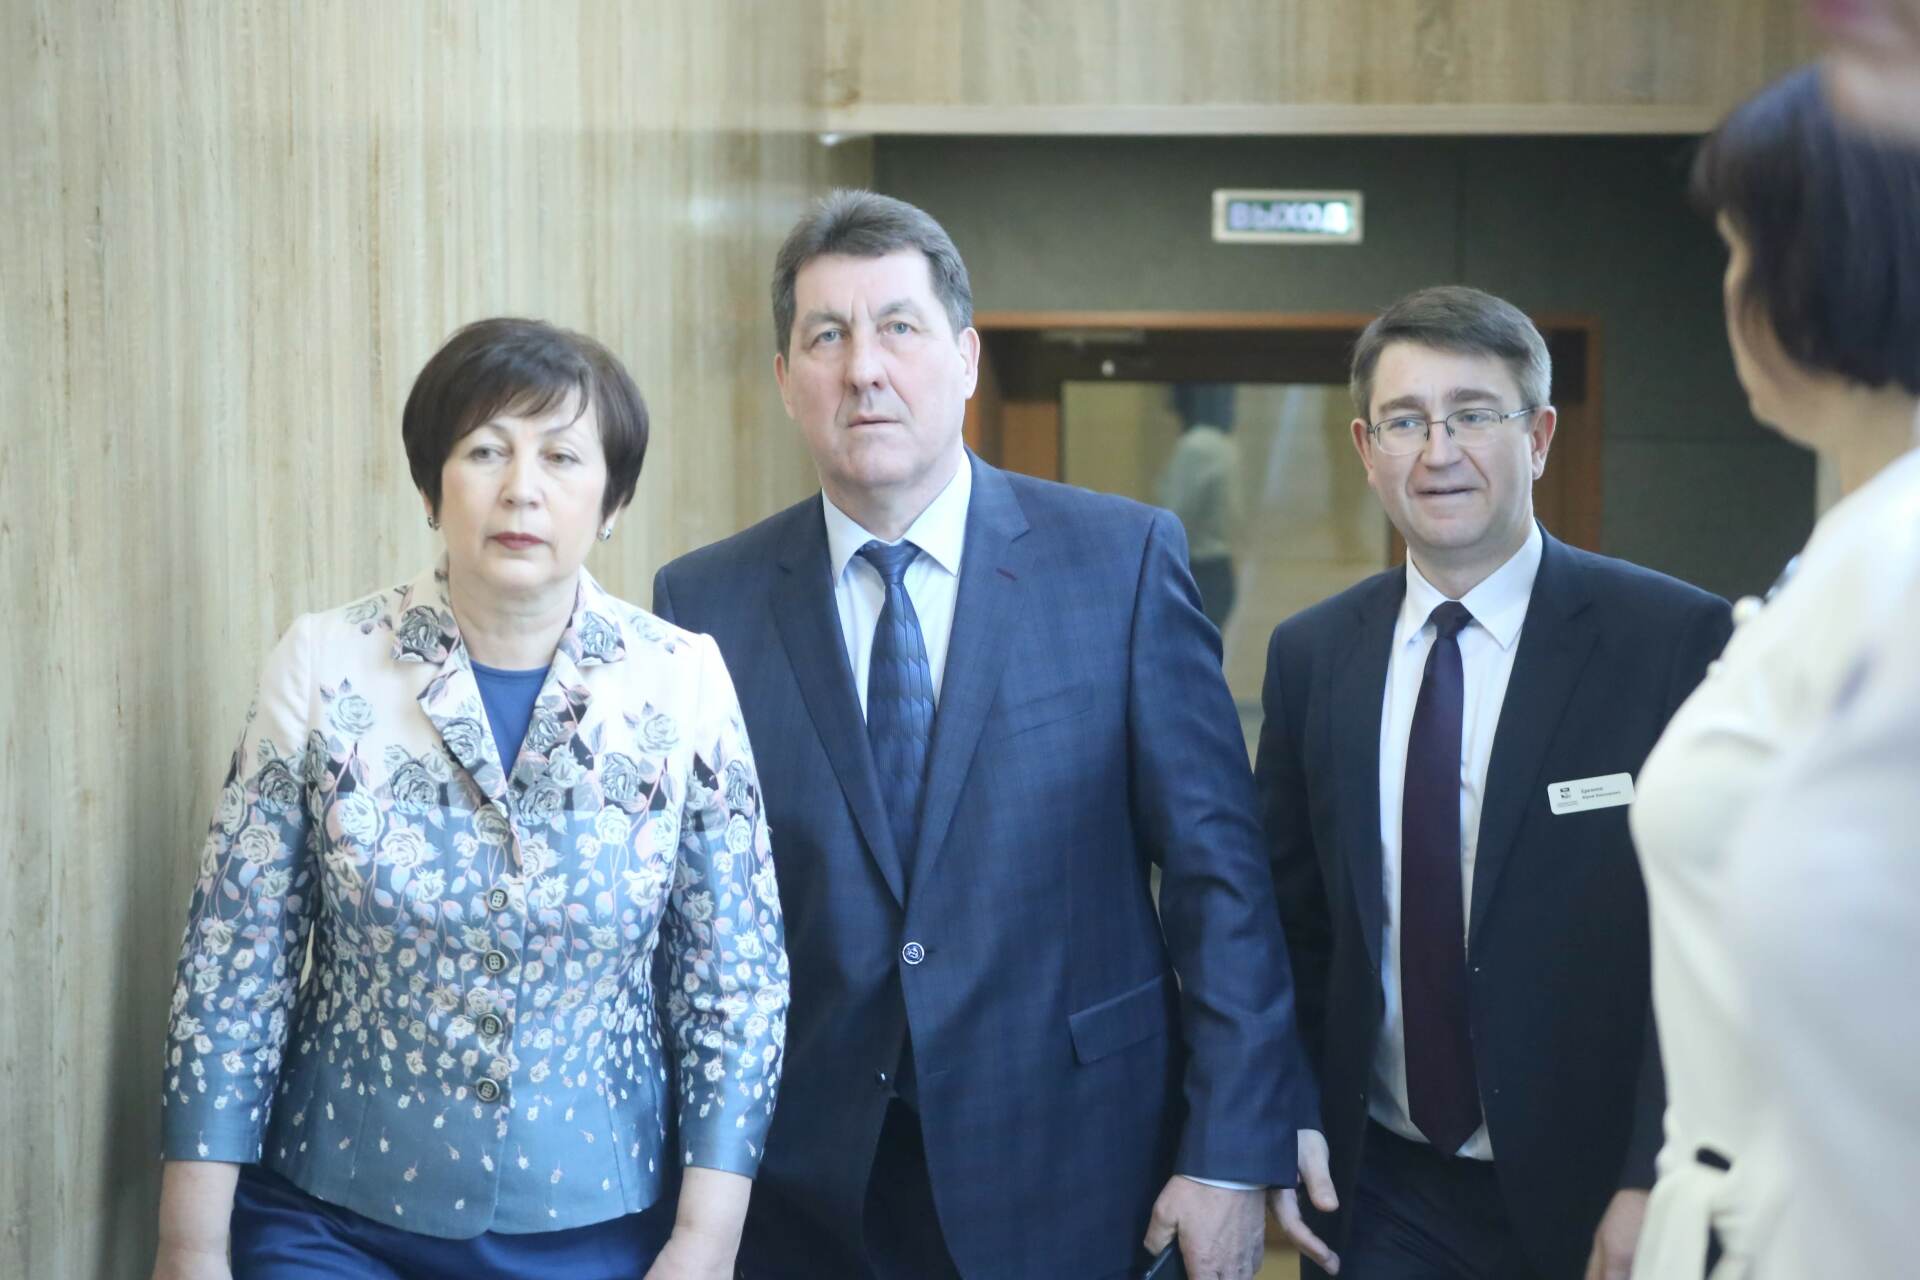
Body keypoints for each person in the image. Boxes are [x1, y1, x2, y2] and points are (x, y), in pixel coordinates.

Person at [651, 190, 1308, 1280]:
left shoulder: (1120, 563)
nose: (864, 368)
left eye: (898, 327)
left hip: (1077, 1161)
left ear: (964, 358)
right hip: (806, 1191)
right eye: (827, 336)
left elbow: (1220, 883)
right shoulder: (704, 604)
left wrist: (1231, 1154)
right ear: (785, 379)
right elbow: (684, 925)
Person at [151, 319, 787, 1280]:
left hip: (598, 1226)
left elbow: (734, 983)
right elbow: (235, 963)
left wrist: (704, 1245)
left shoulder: (681, 680)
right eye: (486, 450)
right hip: (335, 1217)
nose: (521, 488)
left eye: (561, 456)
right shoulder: (324, 665)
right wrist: (190, 1246)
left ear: (612, 500)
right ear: (430, 486)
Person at [1256, 286, 1731, 1280]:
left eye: (1473, 414)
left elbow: (1712, 939)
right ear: (1365, 447)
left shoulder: (1669, 640)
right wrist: (1283, 1111)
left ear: (1540, 436)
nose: (1438, 451)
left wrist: (1656, 1174)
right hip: (1381, 1188)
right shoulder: (1313, 656)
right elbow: (1288, 925)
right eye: (1405, 421)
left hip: (1597, 1194)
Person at [1624, 68, 1920, 1280]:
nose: (1730, 289)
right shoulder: (1849, 545)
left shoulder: (1900, 560)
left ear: (1835, 257)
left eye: (1742, 249)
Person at [1157, 383, 1244, 631]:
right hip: (1220, 571)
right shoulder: (1226, 444)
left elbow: (1176, 517)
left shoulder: (1196, 446)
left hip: (1198, 573)